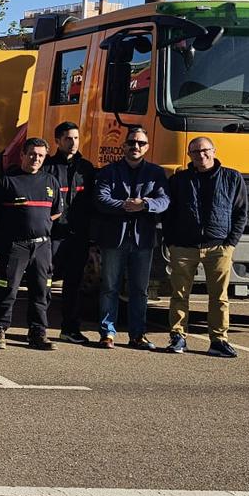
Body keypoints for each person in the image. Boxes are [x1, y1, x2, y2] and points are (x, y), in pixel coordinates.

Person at [162, 137, 247, 357]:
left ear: (214, 151)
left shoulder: (232, 177)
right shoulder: (179, 180)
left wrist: (230, 244)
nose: (201, 155)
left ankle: (218, 340)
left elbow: (241, 213)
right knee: (179, 295)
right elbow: (168, 213)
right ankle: (178, 337)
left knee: (219, 297)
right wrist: (171, 241)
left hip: (218, 247)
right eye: (195, 152)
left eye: (205, 150)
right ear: (189, 155)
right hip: (183, 247)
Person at [92, 125, 170, 349]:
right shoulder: (109, 171)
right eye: (132, 142)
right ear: (124, 145)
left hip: (143, 239)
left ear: (147, 147)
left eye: (141, 143)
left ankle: (138, 334)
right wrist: (126, 206)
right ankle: (107, 333)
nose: (136, 146)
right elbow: (100, 198)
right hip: (114, 238)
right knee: (110, 287)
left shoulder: (155, 173)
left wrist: (145, 205)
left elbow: (164, 201)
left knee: (139, 289)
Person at [0, 136, 62, 350]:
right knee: (7, 290)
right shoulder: (7, 180)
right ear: (22, 155)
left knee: (41, 291)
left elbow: (56, 213)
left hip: (42, 247)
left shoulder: (50, 182)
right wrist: (10, 228)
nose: (36, 159)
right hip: (14, 246)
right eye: (32, 154)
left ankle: (38, 332)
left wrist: (40, 225)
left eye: (40, 155)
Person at [47, 121, 97, 343]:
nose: (73, 142)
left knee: (74, 284)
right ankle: (38, 327)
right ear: (57, 141)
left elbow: (94, 202)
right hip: (52, 236)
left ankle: (70, 329)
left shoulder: (86, 169)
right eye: (68, 138)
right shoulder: (48, 168)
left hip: (78, 235)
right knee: (45, 282)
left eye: (76, 138)